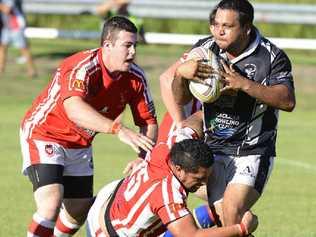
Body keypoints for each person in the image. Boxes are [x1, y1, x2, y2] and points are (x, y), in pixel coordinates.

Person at [19, 16, 158, 237]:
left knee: (78, 210)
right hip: (44, 133)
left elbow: (148, 122)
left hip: (80, 144)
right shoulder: (83, 66)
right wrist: (118, 129)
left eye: (135, 46)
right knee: (51, 203)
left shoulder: (136, 78)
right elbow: (74, 109)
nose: (132, 52)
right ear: (107, 46)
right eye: (127, 45)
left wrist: (143, 158)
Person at [162, 0, 296, 229]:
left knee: (231, 212)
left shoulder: (271, 56)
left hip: (252, 151)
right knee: (230, 222)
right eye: (215, 24)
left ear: (246, 28)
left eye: (227, 26)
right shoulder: (205, 49)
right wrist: (181, 77)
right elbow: (182, 99)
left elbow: (287, 100)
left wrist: (243, 84)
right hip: (213, 149)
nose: (218, 31)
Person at [86, 139, 258, 237]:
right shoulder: (167, 194)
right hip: (105, 231)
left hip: (111, 196)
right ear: (178, 169)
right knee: (180, 228)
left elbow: (192, 124)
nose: (205, 183)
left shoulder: (168, 148)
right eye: (199, 178)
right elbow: (190, 235)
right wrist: (241, 229)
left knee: (178, 221)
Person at [0, 0, 37, 77]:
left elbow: (7, 10)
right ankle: (1, 69)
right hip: (7, 27)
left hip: (16, 27)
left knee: (24, 49)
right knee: (2, 47)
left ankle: (32, 70)